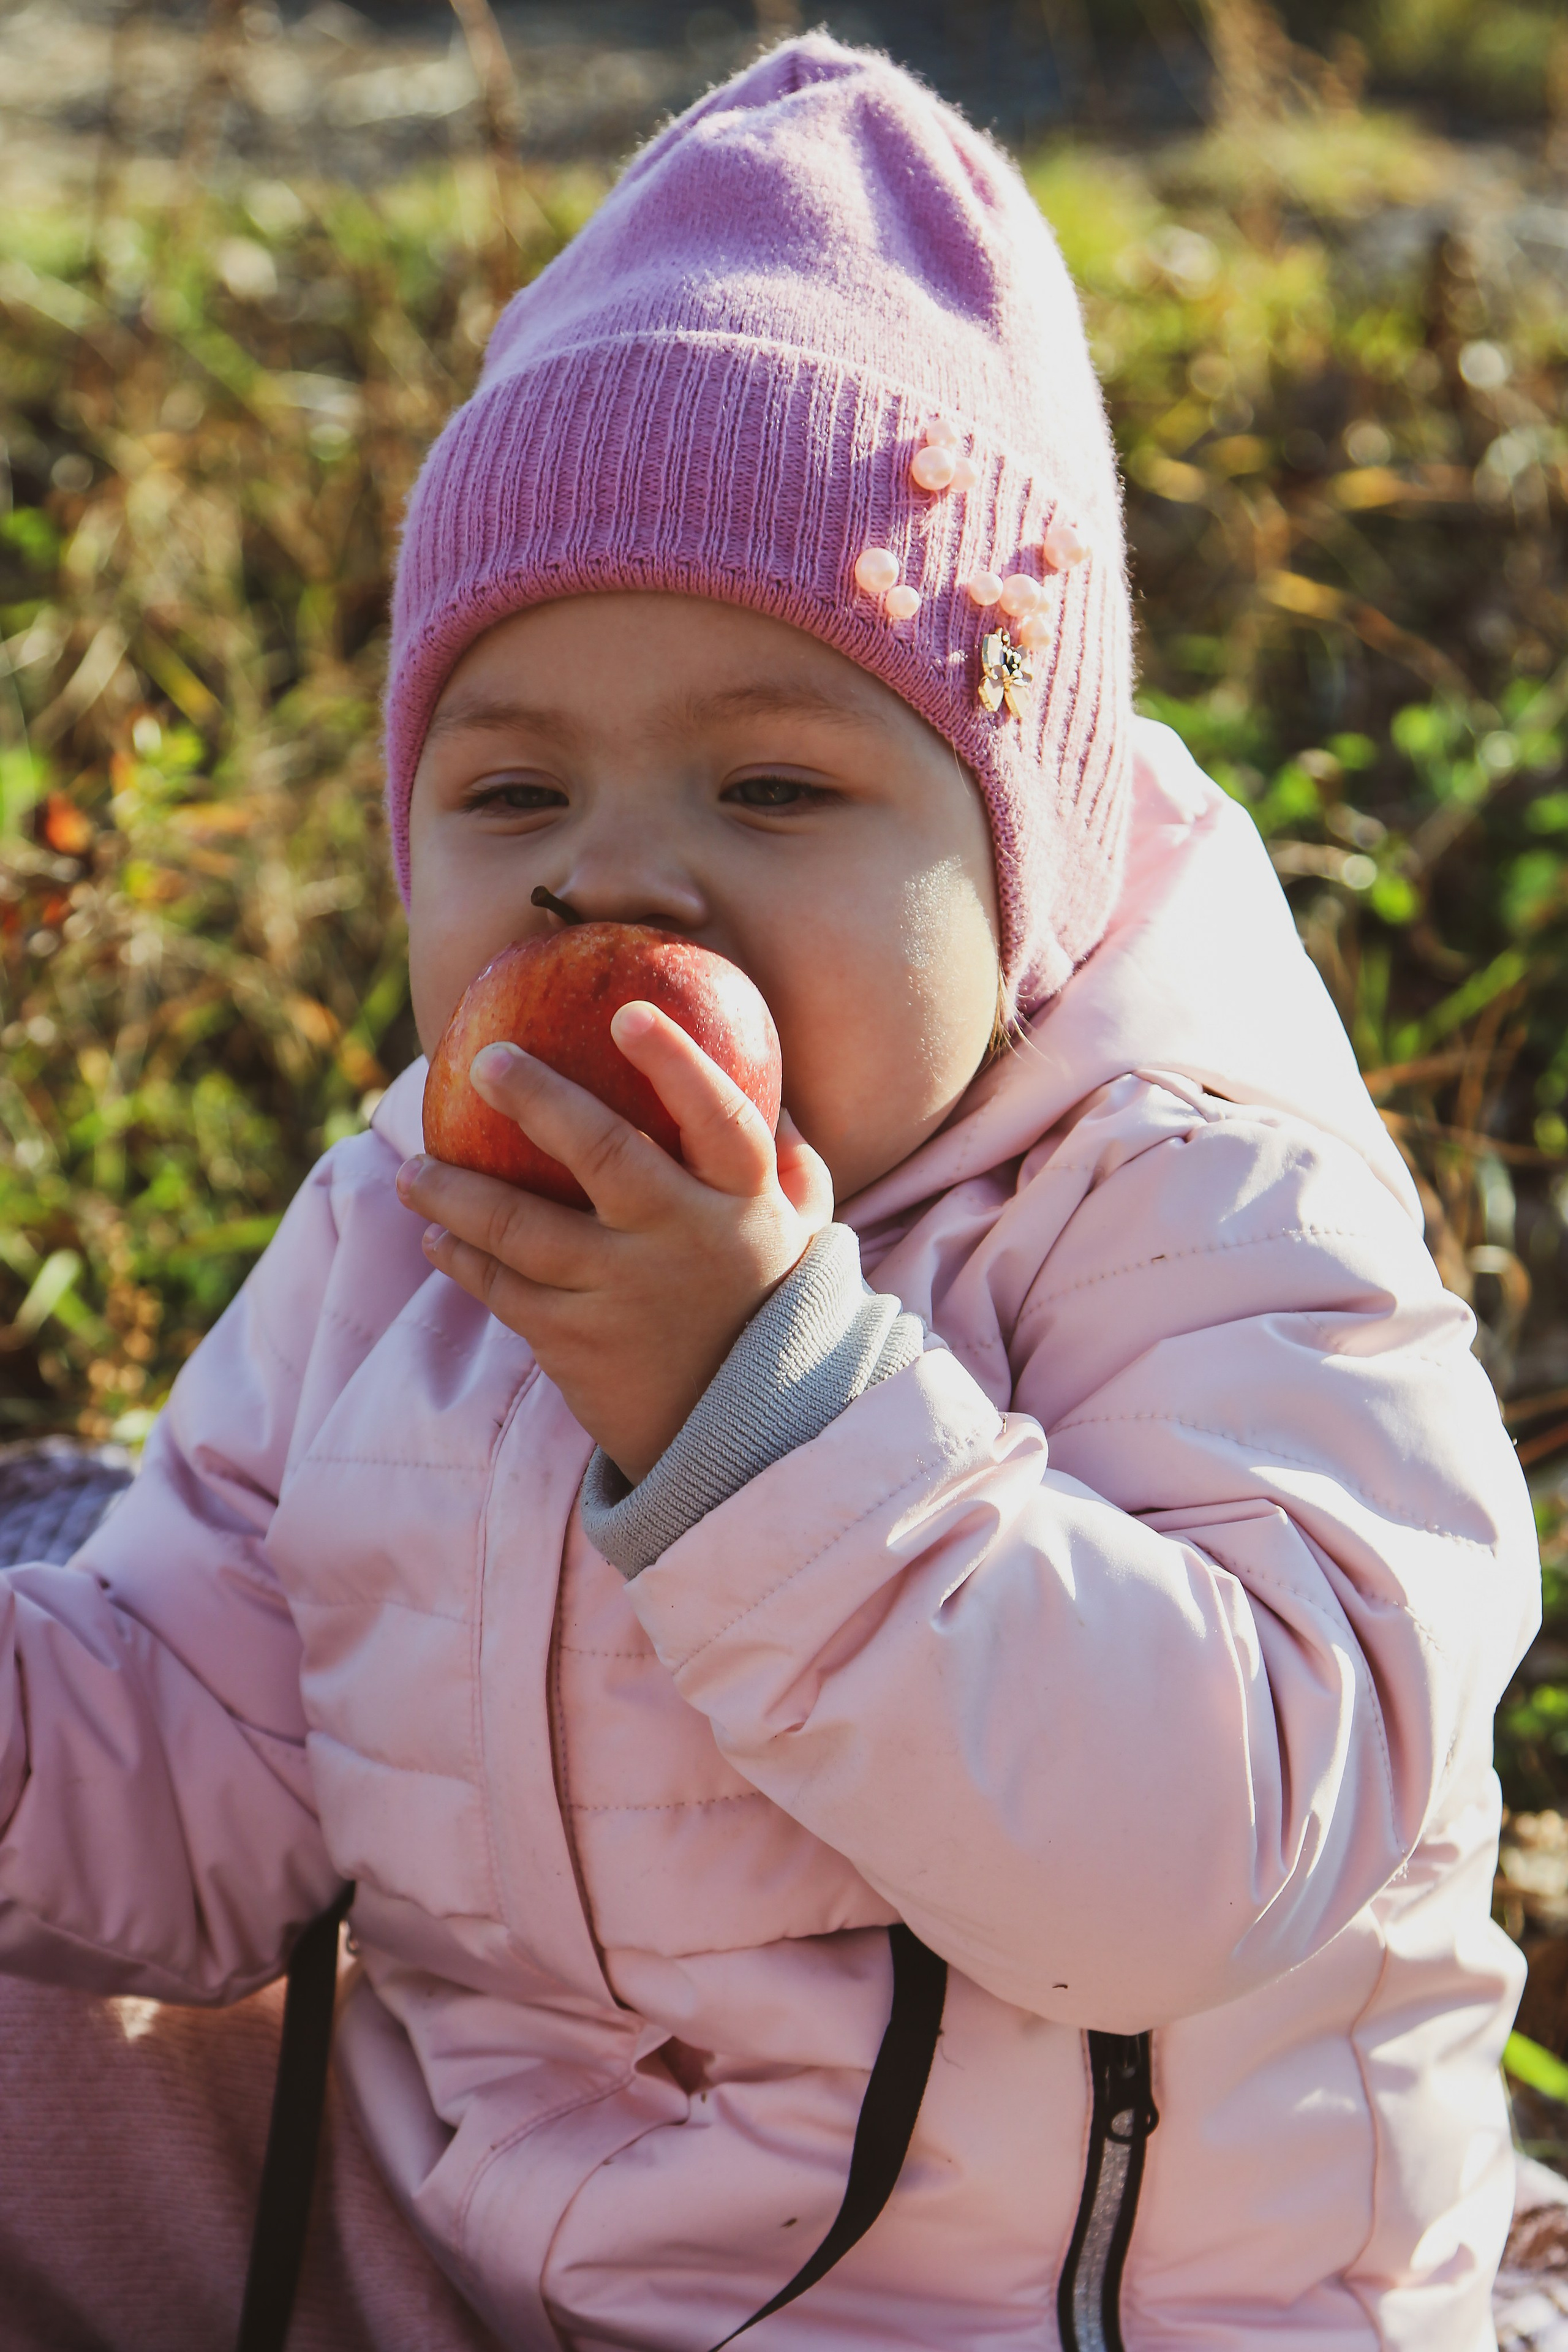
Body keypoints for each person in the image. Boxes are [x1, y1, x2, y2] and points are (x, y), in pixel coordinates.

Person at [0, 34, 1539, 2352]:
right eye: (511, 795)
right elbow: (199, 1759)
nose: (618, 872)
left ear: (1013, 866)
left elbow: (1204, 1858)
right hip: (498, 2265)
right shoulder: (403, 1234)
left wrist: (764, 1415)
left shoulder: (1202, 1217)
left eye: (774, 787)